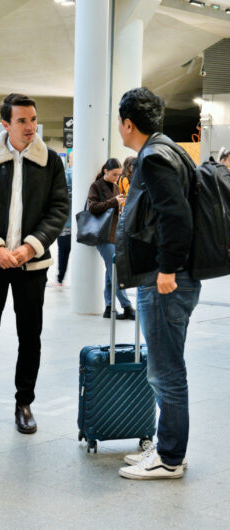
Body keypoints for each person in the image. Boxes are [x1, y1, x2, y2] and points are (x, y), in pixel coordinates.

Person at [0, 93, 69, 434]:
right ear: (5, 124)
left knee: (30, 335)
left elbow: (58, 209)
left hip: (31, 266)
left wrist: (31, 247)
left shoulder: (50, 161)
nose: (30, 127)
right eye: (22, 121)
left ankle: (24, 403)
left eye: (33, 120)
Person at [116, 87, 201, 480]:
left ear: (128, 123)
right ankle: (168, 447)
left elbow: (176, 217)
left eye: (120, 121)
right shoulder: (171, 149)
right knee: (167, 367)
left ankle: (169, 457)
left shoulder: (153, 157)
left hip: (166, 281)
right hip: (175, 277)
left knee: (165, 372)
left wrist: (166, 270)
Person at [87, 158, 135, 320]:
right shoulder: (96, 186)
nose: (117, 178)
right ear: (106, 171)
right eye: (114, 174)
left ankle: (109, 307)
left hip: (114, 234)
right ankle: (127, 306)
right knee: (115, 269)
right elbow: (92, 207)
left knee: (110, 271)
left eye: (119, 175)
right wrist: (113, 201)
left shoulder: (115, 187)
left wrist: (120, 204)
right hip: (102, 234)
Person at [56, 152, 73, 286]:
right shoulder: (85, 176)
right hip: (80, 223)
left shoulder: (65, 176)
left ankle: (60, 278)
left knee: (63, 252)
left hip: (64, 222)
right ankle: (61, 277)